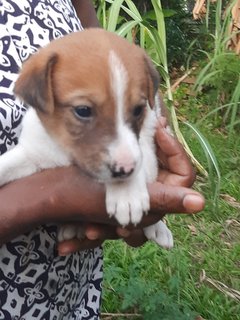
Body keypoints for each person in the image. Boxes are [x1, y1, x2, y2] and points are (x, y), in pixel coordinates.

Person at [0, 0, 204, 319]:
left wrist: (139, 187)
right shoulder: (40, 114)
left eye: (135, 111)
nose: (124, 158)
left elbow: (94, 32)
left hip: (72, 287)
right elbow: (28, 159)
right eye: (84, 112)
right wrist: (54, 199)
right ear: (39, 97)